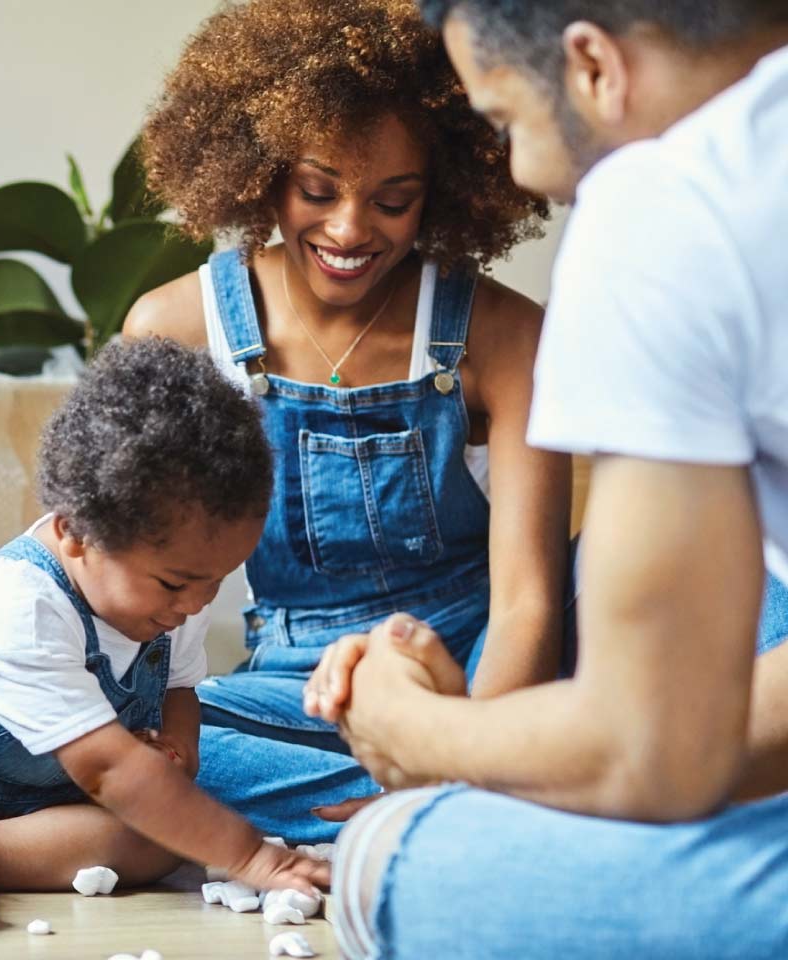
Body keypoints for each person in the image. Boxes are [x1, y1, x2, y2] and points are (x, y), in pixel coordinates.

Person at [308, 2, 788, 955]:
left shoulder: (667, 198)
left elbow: (656, 754)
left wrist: (416, 732)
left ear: (593, 65)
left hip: (628, 727)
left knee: (387, 852)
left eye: (503, 122)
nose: (524, 171)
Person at [122, 0, 569, 843]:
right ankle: (500, 806)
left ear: (443, 193)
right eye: (316, 190)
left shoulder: (506, 337)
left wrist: (463, 753)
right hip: (299, 685)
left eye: (394, 201)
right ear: (261, 172)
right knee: (145, 755)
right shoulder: (173, 331)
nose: (350, 230)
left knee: (754, 611)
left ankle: (457, 802)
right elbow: (125, 585)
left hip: (485, 670)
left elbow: (529, 604)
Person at [0, 337, 328, 937]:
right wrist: (252, 856)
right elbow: (107, 769)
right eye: (177, 583)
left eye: (217, 581)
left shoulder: (178, 594)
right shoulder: (21, 607)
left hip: (55, 798)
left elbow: (180, 686)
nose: (198, 603)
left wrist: (178, 754)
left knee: (157, 834)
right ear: (75, 532)